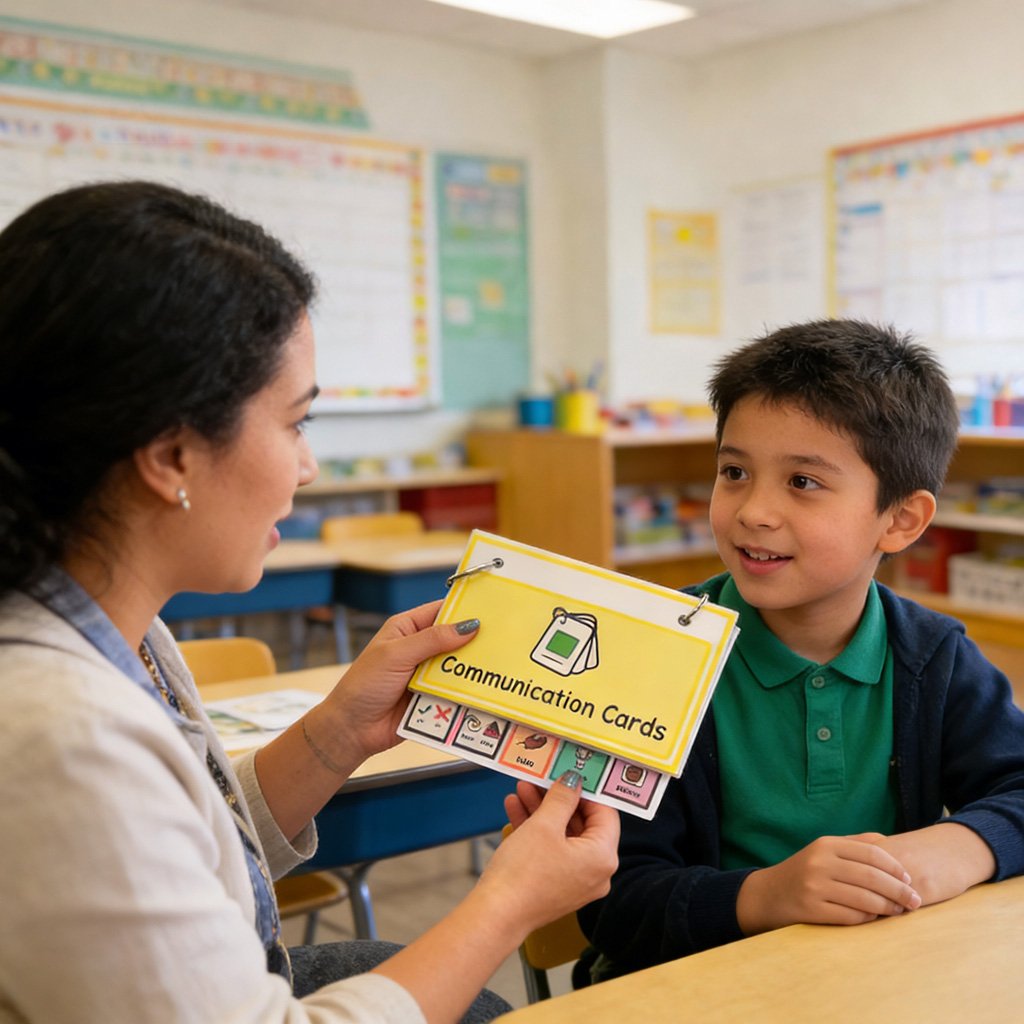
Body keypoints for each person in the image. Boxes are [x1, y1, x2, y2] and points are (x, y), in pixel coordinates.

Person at [0, 180, 619, 1024]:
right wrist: (509, 901)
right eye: (295, 424)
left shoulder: (111, 627)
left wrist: (336, 734)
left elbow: (178, 851)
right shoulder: (58, 736)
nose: (308, 467)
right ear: (171, 454)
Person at [577, 319, 1024, 983]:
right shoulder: (653, 654)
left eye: (803, 482)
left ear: (901, 520)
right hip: (687, 985)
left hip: (871, 978)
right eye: (734, 472)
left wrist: (957, 847)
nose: (753, 511)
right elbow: (612, 901)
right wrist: (766, 896)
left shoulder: (933, 657)